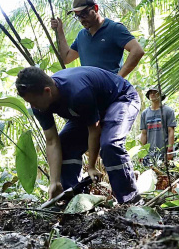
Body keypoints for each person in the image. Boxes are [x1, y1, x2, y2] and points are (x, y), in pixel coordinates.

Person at [16, 66, 141, 204]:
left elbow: (94, 130)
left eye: (33, 102)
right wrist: (54, 181)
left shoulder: (77, 92)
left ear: (47, 91)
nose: (32, 107)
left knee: (110, 144)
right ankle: (75, 201)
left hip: (121, 98)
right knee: (65, 146)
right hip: (91, 111)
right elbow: (52, 141)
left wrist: (92, 166)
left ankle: (130, 200)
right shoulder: (40, 105)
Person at [50, 0, 144, 77]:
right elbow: (66, 58)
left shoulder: (114, 28)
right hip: (91, 91)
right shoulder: (81, 35)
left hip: (111, 90)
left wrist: (118, 78)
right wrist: (59, 32)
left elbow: (137, 51)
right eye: (78, 16)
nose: (82, 19)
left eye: (84, 13)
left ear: (95, 8)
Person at [140, 85, 176, 165]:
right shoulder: (145, 113)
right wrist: (141, 152)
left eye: (155, 92)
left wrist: (170, 149)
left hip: (164, 151)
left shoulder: (168, 111)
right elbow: (144, 133)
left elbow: (171, 131)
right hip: (149, 153)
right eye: (150, 93)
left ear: (160, 95)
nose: (152, 94)